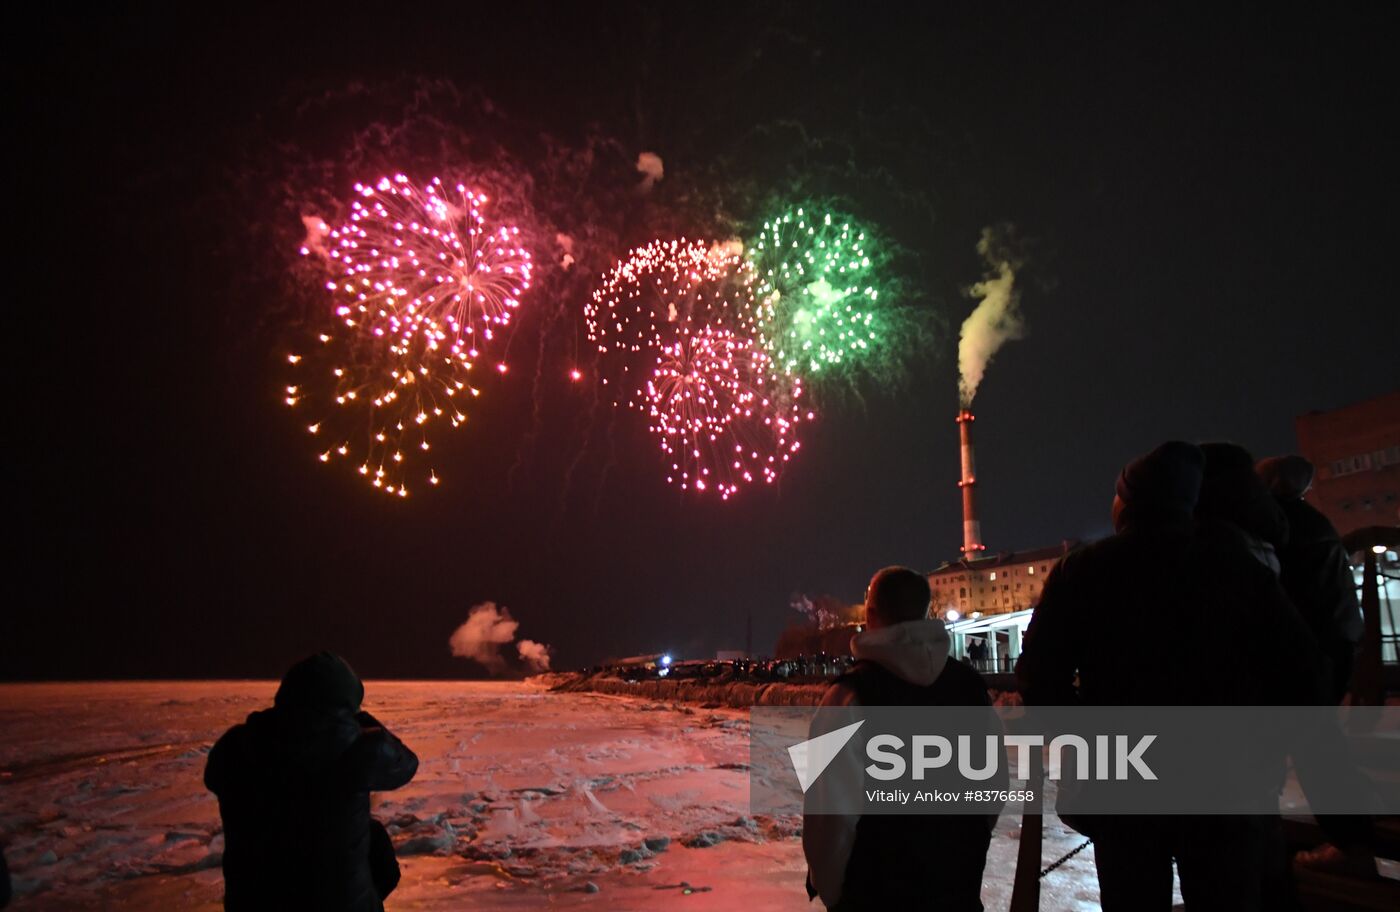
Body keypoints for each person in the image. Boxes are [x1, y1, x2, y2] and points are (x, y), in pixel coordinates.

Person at [1017, 441, 1323, 911]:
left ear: (1129, 500)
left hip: (1123, 784)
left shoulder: (1085, 570)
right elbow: (1304, 668)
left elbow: (1039, 677)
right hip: (1225, 782)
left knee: (1133, 898)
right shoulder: (1235, 565)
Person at [803, 567, 999, 911]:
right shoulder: (971, 688)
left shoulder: (845, 698)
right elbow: (993, 790)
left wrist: (837, 895)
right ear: (926, 610)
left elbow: (827, 821)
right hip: (957, 894)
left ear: (870, 613)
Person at [205, 652, 418, 911]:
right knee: (374, 844)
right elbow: (405, 764)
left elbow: (214, 776)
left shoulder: (238, 744)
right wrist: (361, 722)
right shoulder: (356, 746)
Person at [1257, 454, 1376, 878]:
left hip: (1303, 655)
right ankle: (1351, 840)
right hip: (1329, 649)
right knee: (1317, 745)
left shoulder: (1276, 527)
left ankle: (1349, 843)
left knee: (1311, 749)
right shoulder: (1313, 523)